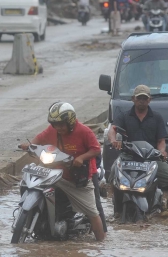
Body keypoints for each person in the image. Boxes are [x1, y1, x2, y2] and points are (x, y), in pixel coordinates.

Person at [20, 102, 106, 241]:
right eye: (55, 124)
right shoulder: (52, 129)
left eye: (61, 124)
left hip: (76, 177)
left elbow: (96, 149)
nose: (58, 128)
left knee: (92, 211)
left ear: (70, 122)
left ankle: (101, 242)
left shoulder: (84, 131)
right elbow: (40, 138)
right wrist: (30, 146)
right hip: (55, 174)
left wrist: (81, 158)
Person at [108, 85, 168, 217]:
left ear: (149, 100)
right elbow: (112, 130)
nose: (142, 100)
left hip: (151, 158)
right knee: (113, 175)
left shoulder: (157, 118)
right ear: (133, 99)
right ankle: (117, 209)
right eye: (139, 98)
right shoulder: (124, 116)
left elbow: (161, 141)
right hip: (128, 157)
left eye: (144, 98)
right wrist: (113, 140)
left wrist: (162, 152)